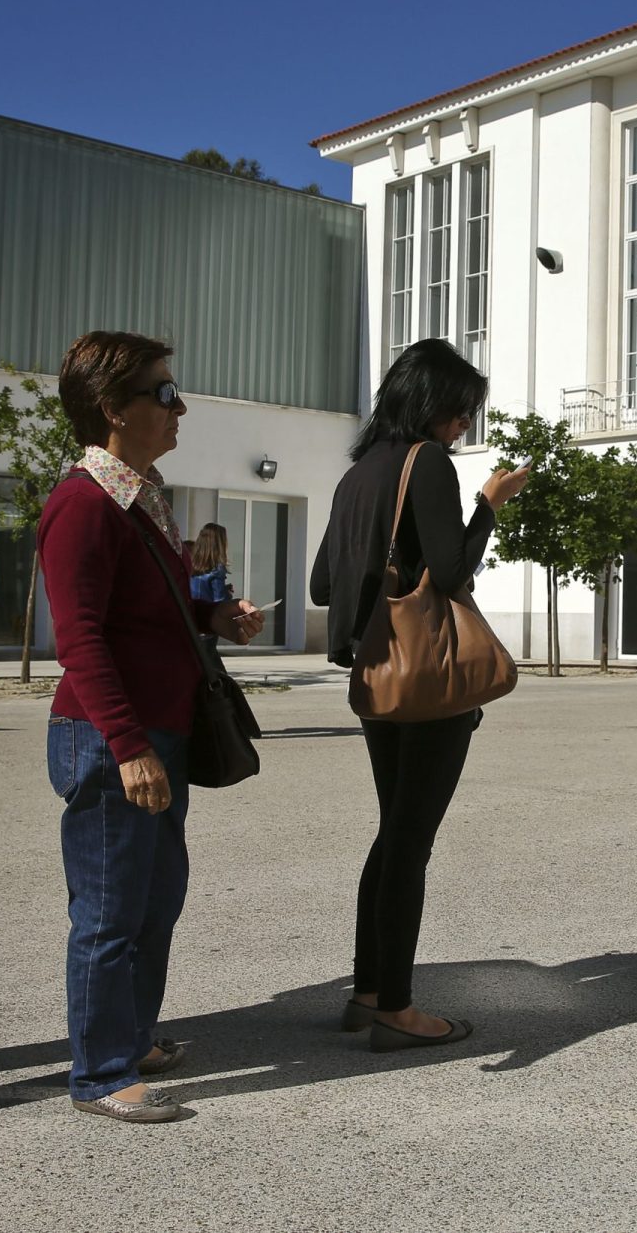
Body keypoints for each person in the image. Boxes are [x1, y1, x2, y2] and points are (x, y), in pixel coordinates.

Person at [37, 331, 265, 1122]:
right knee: (107, 909)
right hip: (110, 737)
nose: (181, 406)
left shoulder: (138, 494)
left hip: (155, 731)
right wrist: (128, 747)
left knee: (156, 898)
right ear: (112, 410)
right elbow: (82, 639)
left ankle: (130, 1037)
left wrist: (214, 616)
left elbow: (148, 613)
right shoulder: (82, 505)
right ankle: (99, 1074)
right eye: (163, 394)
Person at [310, 338, 528, 1052]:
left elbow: (322, 586)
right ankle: (396, 1010)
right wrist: (489, 505)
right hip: (430, 681)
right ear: (432, 402)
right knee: (411, 842)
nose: (466, 423)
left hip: (377, 678)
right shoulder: (425, 463)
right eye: (462, 408)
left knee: (392, 833)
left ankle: (368, 990)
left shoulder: (359, 473)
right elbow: (453, 569)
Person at [188, 524, 232, 605]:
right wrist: (228, 596)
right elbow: (219, 602)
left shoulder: (190, 563)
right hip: (207, 613)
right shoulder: (217, 568)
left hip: (190, 611)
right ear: (219, 544)